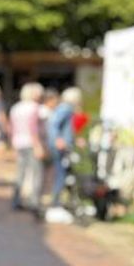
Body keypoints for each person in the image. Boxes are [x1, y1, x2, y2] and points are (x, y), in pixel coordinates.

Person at [45, 87, 82, 224]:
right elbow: (53, 125)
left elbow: (64, 128)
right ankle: (56, 202)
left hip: (60, 145)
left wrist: (73, 139)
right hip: (59, 147)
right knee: (60, 174)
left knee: (62, 174)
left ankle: (57, 201)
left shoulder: (63, 108)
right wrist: (58, 140)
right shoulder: (66, 108)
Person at [9, 82, 45, 211]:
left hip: (18, 142)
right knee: (36, 172)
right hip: (31, 143)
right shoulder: (36, 108)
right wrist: (38, 145)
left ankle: (16, 199)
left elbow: (12, 128)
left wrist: (12, 145)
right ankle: (34, 201)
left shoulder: (16, 108)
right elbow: (33, 128)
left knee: (21, 172)